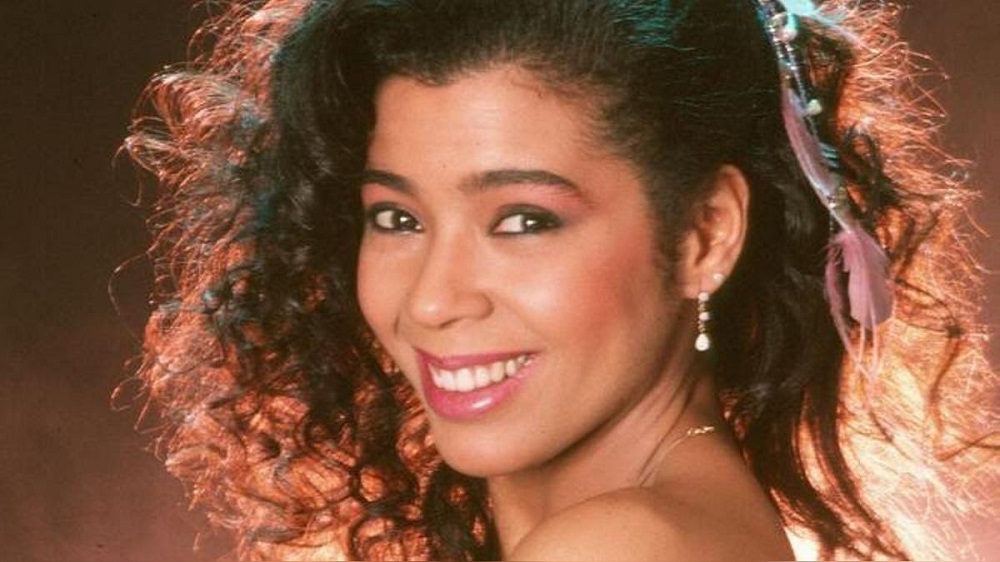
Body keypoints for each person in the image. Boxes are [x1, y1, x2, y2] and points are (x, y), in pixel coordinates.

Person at [123, 0, 997, 559]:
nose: (431, 299)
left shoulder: (620, 546)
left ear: (705, 233)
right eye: (397, 218)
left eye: (523, 221)